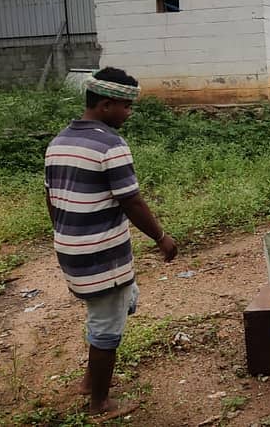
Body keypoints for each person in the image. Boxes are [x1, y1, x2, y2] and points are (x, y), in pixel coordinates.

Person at [44, 67, 177, 419]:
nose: (129, 114)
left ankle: (90, 382)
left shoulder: (60, 140)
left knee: (109, 307)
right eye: (126, 107)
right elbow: (131, 201)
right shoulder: (111, 146)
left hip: (71, 249)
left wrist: (65, 232)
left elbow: (51, 197)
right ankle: (99, 404)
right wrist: (162, 238)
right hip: (102, 255)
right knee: (107, 326)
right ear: (105, 105)